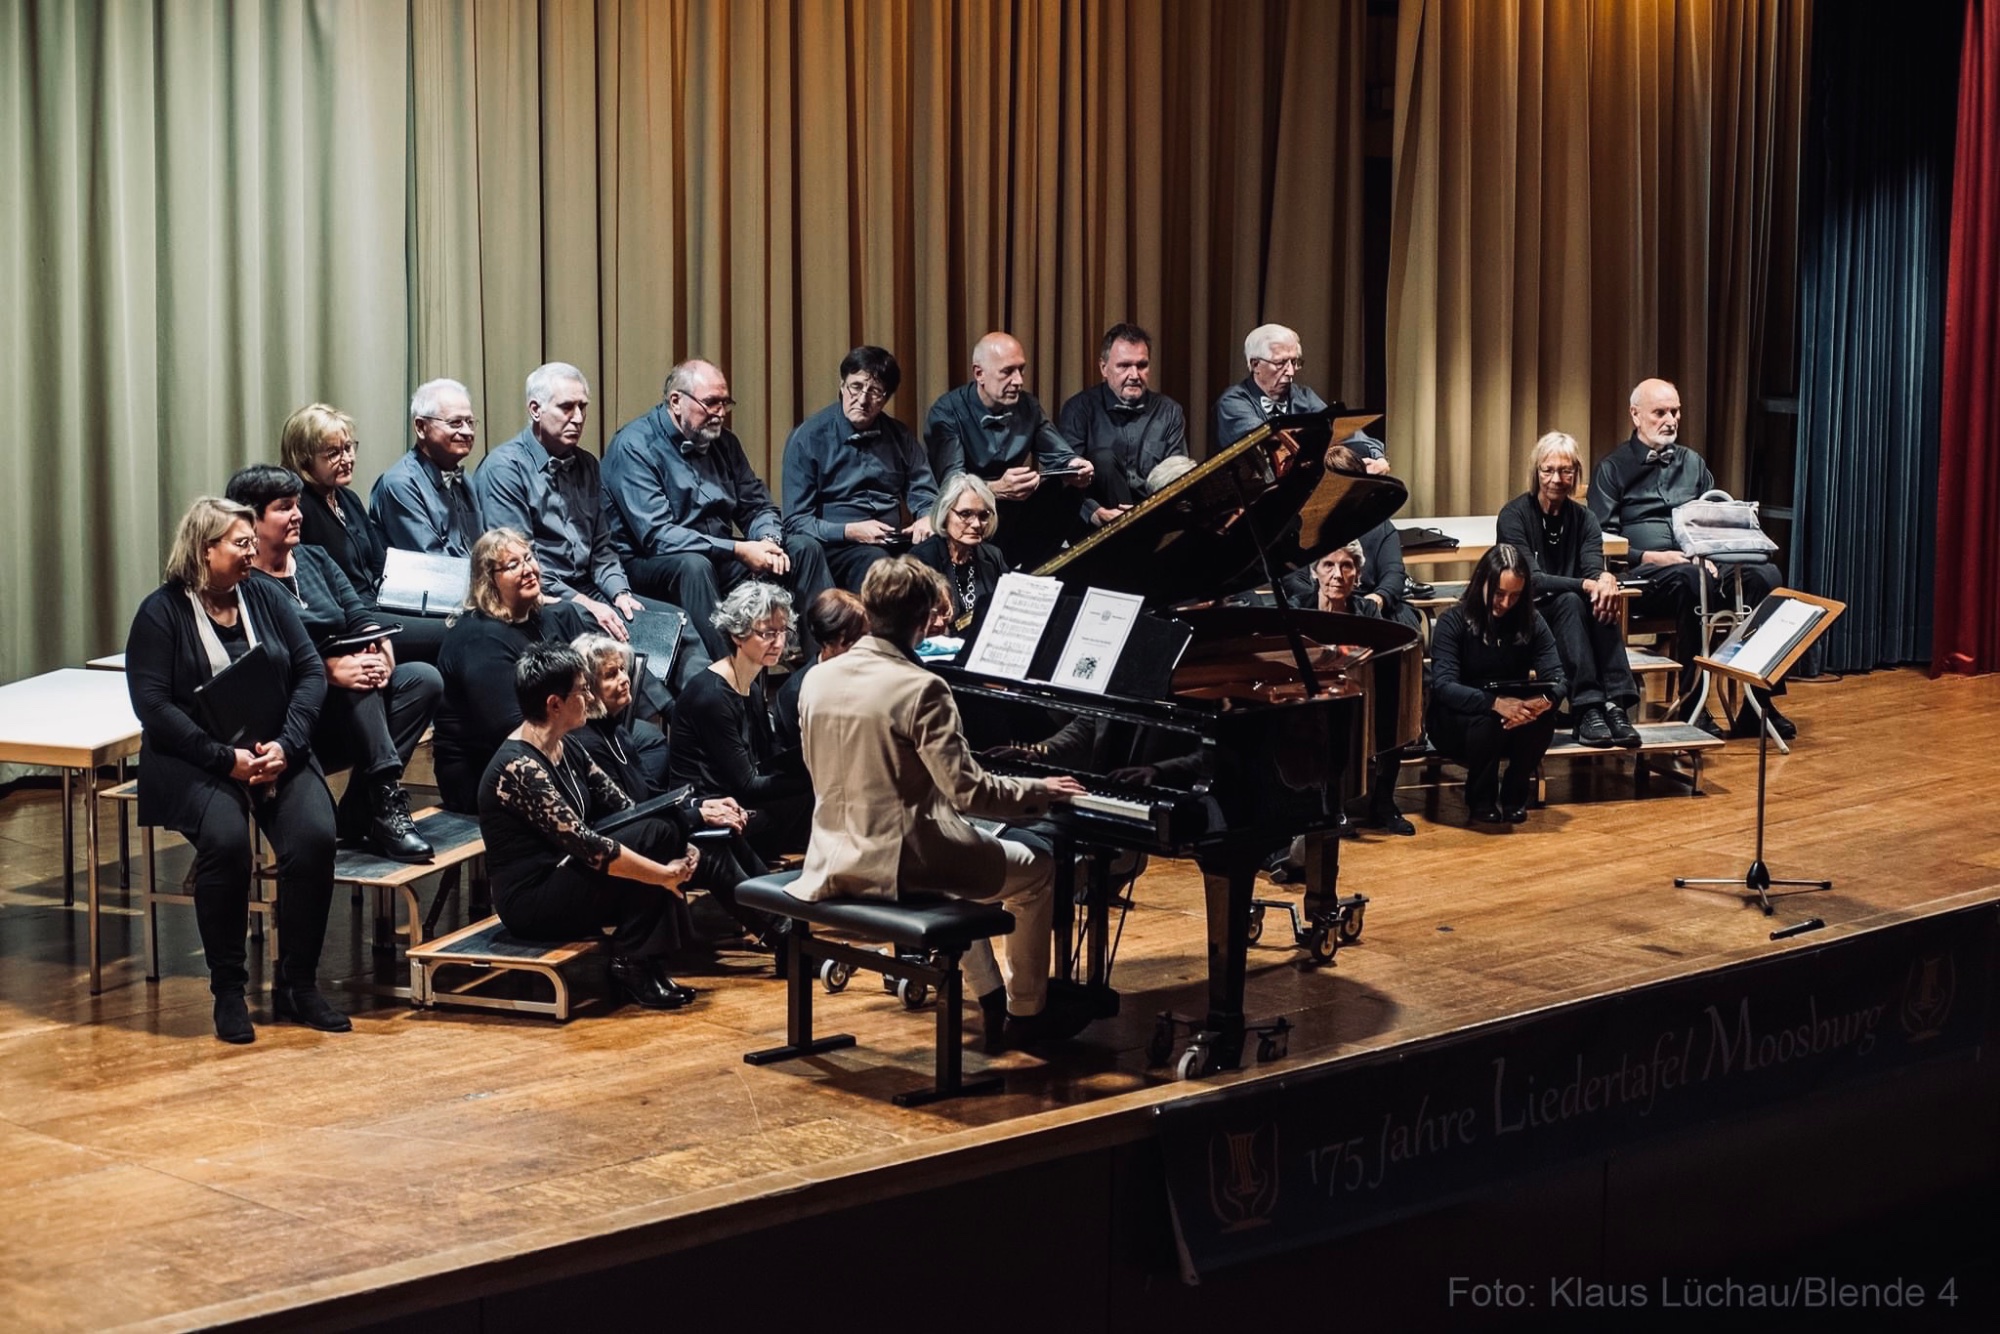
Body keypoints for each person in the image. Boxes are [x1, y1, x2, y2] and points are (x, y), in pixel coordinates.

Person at [790, 556, 1092, 1051]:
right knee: (1037, 869)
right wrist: (1040, 791)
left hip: (829, 855)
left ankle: (990, 995)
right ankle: (1027, 1010)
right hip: (904, 864)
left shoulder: (816, 679)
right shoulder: (922, 687)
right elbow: (970, 792)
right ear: (924, 616)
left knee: (973, 852)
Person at [124, 497, 346, 1043]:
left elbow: (310, 673)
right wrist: (227, 760)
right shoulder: (161, 612)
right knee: (226, 844)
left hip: (275, 749)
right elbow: (153, 706)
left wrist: (288, 747)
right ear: (206, 550)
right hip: (196, 758)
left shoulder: (265, 595)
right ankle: (228, 989)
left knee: (316, 836)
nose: (253, 553)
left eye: (252, 543)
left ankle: (299, 983)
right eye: (241, 544)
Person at [227, 464, 440, 862]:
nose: (298, 514)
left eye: (296, 505)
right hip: (297, 720)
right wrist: (329, 670)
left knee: (422, 679)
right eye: (283, 507)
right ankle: (383, 804)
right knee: (358, 687)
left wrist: (382, 650)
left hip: (349, 710)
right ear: (249, 519)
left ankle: (366, 804)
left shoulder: (316, 559)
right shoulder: (243, 582)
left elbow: (359, 614)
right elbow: (259, 661)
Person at [476, 644, 702, 1010]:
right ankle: (632, 962)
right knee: (655, 836)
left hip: (566, 875)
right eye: (582, 690)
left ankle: (645, 961)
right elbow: (589, 848)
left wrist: (683, 841)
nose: (588, 696)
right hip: (533, 900)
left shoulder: (569, 748)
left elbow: (628, 810)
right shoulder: (518, 769)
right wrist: (662, 873)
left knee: (664, 824)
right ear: (554, 704)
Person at [470, 361, 709, 698]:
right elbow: (520, 565)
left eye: (583, 407)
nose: (579, 417)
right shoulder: (504, 469)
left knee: (676, 624)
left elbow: (602, 546)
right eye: (567, 407)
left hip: (592, 590)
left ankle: (713, 714)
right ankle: (658, 726)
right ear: (535, 410)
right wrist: (588, 603)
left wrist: (620, 593)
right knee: (623, 647)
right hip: (546, 600)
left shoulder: (586, 464)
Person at [1589, 377, 1795, 740]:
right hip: (1645, 578)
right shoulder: (1613, 468)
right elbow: (1602, 542)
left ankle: (1757, 702)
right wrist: (1655, 556)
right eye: (1660, 413)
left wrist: (1712, 552)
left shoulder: (1693, 464)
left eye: (1675, 411)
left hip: (1703, 567)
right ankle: (1693, 701)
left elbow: (1714, 518)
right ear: (1636, 415)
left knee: (1767, 577)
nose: (1670, 420)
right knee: (1688, 579)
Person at [603, 358, 833, 661]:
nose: (720, 414)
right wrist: (739, 549)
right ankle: (725, 682)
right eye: (711, 403)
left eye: (725, 404)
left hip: (720, 554)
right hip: (653, 562)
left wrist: (767, 541)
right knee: (694, 566)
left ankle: (827, 663)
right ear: (676, 401)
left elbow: (758, 505)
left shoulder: (725, 443)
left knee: (803, 549)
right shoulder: (634, 446)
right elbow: (657, 536)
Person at [1496, 432, 1644, 749]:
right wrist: (1589, 584)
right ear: (1536, 473)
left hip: (1574, 616)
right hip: (1526, 616)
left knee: (1600, 599)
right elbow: (1529, 579)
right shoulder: (1514, 515)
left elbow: (1592, 568)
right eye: (1548, 470)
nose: (1556, 479)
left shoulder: (1585, 519)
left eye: (1566, 471)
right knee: (1571, 600)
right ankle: (1587, 707)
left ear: (1576, 474)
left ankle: (1614, 706)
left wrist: (1604, 581)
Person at [433, 528, 593, 814]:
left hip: (544, 744)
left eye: (528, 558)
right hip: (482, 772)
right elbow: (509, 728)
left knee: (640, 744)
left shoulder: (539, 618)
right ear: (488, 581)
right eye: (512, 565)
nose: (528, 569)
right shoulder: (480, 639)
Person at [283, 402, 449, 665]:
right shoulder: (298, 509)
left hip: (379, 605)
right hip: (349, 619)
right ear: (304, 458)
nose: (347, 458)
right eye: (333, 452)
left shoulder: (347, 499)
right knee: (455, 633)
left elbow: (381, 564)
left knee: (463, 619)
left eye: (349, 448)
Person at [668, 582, 814, 863]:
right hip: (713, 805)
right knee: (815, 794)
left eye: (783, 631)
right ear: (738, 634)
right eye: (768, 633)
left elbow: (764, 760)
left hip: (739, 794)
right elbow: (746, 784)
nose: (780, 643)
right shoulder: (711, 696)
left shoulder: (752, 685)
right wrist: (811, 778)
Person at [925, 331, 1094, 568]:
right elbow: (951, 486)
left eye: (1021, 370)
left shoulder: (1028, 406)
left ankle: (1037, 571)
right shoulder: (947, 412)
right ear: (979, 374)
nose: (1018, 380)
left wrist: (1076, 467)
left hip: (1017, 514)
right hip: (971, 516)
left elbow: (1061, 455)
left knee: (1068, 487)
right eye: (1007, 372)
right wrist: (996, 489)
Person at [1426, 544, 1568, 826]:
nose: (1505, 603)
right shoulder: (1453, 621)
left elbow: (1558, 676)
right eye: (1499, 594)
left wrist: (1543, 701)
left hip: (1512, 712)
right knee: (1489, 722)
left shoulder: (1531, 621)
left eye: (1514, 596)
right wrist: (1494, 702)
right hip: (1459, 717)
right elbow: (1443, 686)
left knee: (1542, 719)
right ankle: (1481, 798)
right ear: (1482, 583)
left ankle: (1515, 793)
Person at [780, 345, 938, 592]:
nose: (862, 400)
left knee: (939, 548)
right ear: (842, 386)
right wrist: (849, 531)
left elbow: (925, 493)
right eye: (856, 387)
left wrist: (927, 517)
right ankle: (877, 631)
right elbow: (795, 521)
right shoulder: (808, 438)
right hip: (835, 546)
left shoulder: (900, 436)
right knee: (876, 563)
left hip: (892, 540)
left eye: (875, 391)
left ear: (886, 398)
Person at [1306, 542, 1417, 836]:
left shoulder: (1366, 609)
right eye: (1328, 565)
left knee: (1394, 706)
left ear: (1357, 575)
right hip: (1309, 697)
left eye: (1347, 566)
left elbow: (1380, 652)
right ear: (1315, 572)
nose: (1337, 575)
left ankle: (1383, 803)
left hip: (1357, 689)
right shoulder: (1298, 608)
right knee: (1330, 718)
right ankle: (1332, 806)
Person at [1056, 323, 1190, 525]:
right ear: (1104, 368)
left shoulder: (1169, 411)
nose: (1135, 375)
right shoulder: (1079, 409)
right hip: (1096, 526)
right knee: (1102, 458)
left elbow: (1177, 479)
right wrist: (1093, 512)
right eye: (1124, 366)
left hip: (1153, 521)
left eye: (1142, 365)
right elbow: (1064, 480)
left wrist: (1147, 509)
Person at [1212, 324, 1387, 474]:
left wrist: (1377, 457)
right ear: (1255, 365)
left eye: (1294, 362)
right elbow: (1273, 445)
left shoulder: (1303, 396)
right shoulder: (1232, 402)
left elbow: (1345, 430)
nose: (1291, 372)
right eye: (1280, 363)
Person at [369, 378, 485, 558]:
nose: (467, 432)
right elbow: (433, 564)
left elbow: (480, 550)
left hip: (470, 583)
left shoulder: (465, 480)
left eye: (470, 422)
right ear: (421, 427)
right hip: (427, 584)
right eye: (455, 423)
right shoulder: (400, 484)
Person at [568, 633, 674, 800]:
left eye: (622, 669)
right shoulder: (588, 744)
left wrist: (696, 805)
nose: (625, 679)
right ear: (587, 687)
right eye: (611, 674)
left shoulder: (619, 733)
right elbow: (626, 810)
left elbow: (651, 793)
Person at [909, 472, 1009, 629]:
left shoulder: (993, 556)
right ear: (945, 514)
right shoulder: (922, 559)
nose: (976, 524)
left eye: (983, 515)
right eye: (965, 514)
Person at [774, 588, 868, 752]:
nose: (866, 644)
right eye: (857, 638)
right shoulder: (794, 693)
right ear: (830, 642)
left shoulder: (871, 672)